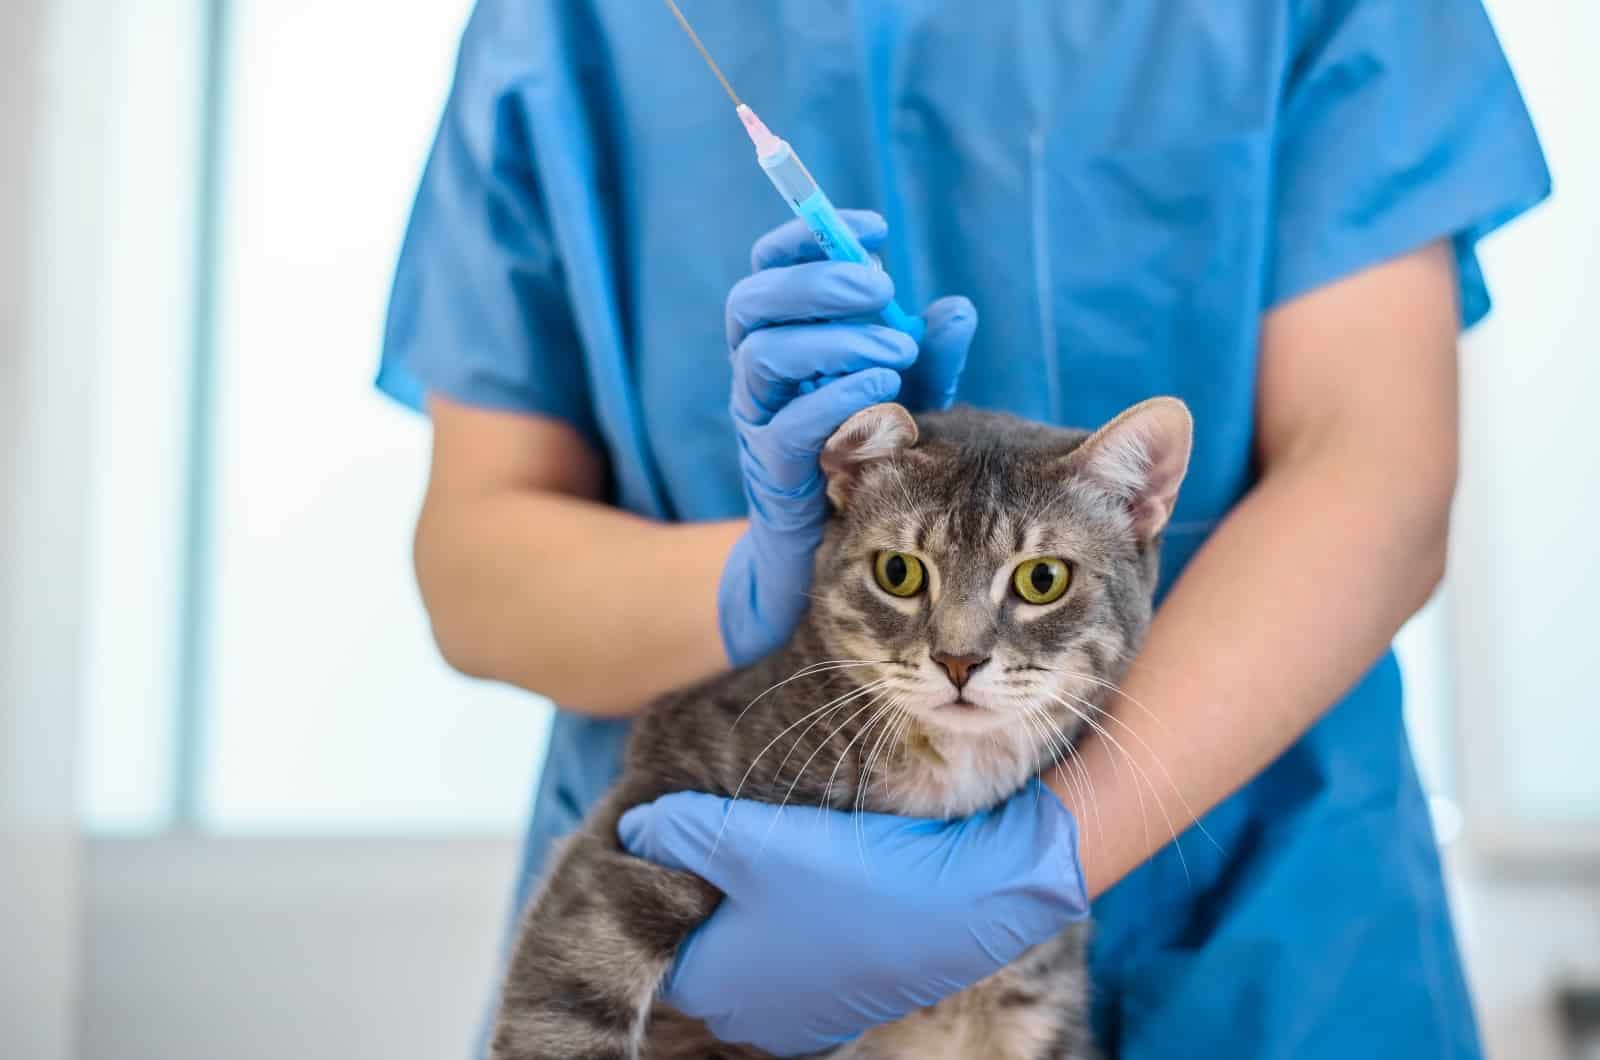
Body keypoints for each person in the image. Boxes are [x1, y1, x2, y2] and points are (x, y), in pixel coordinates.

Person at [378, 2, 1550, 1056]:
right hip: (717, 910)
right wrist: (754, 577)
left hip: (1263, 913)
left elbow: (1375, 471)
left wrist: (1042, 857)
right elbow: (474, 562)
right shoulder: (565, 26)